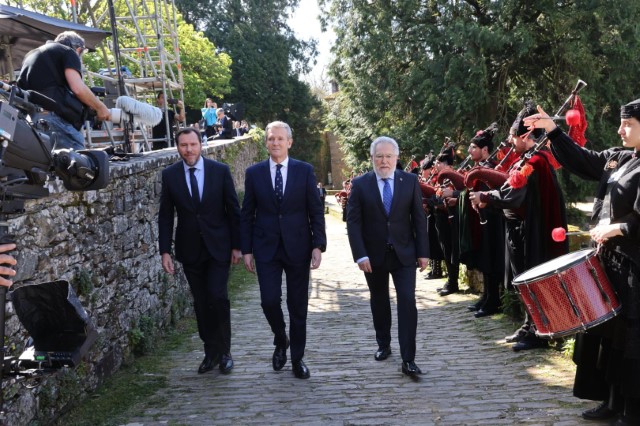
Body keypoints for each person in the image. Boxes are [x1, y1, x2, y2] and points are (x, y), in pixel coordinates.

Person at [524, 100, 640, 425]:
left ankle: (633, 410)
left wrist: (615, 228)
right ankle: (612, 402)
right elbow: (583, 160)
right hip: (611, 263)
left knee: (631, 340)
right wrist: (553, 131)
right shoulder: (618, 157)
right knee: (610, 338)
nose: (620, 130)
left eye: (628, 124)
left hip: (635, 267)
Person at [469, 101, 568, 351]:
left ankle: (539, 332)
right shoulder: (527, 159)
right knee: (524, 280)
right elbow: (509, 188)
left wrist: (486, 198)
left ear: (524, 135)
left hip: (532, 232)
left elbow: (514, 196)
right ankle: (529, 324)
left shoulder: (535, 162)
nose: (510, 141)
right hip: (519, 231)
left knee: (533, 279)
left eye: (513, 136)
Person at [240, 121, 326, 379]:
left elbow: (315, 210)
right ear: (266, 142)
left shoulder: (304, 171)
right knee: (269, 300)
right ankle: (281, 338)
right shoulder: (254, 173)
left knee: (298, 305)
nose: (275, 143)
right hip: (265, 247)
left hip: (298, 246)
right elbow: (247, 214)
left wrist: (318, 245)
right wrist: (246, 249)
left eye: (280, 139)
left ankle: (298, 358)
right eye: (271, 139)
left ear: (289, 142)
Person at [158, 127, 241, 375]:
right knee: (201, 303)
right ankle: (210, 352)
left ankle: (225, 352)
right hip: (189, 249)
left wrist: (238, 246)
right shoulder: (170, 175)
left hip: (219, 248)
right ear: (178, 147)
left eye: (193, 144)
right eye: (184, 145)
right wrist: (165, 251)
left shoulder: (220, 171)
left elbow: (233, 211)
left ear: (200, 145)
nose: (189, 150)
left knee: (218, 297)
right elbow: (165, 216)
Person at [346, 136, 429, 376]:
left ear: (396, 158)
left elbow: (419, 219)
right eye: (379, 156)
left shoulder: (410, 181)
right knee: (379, 300)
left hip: (405, 254)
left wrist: (423, 252)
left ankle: (408, 359)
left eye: (388, 156)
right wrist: (360, 255)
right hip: (374, 255)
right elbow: (353, 223)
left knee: (407, 302)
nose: (384, 161)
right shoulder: (361, 184)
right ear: (372, 159)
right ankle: (383, 344)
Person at [17, 31, 111, 150]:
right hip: (54, 119)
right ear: (78, 49)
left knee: (46, 165)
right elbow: (78, 88)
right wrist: (100, 107)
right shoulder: (68, 52)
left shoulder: (31, 55)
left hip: (31, 119)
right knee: (79, 163)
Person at [463, 123, 505, 318]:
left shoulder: (492, 168)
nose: (469, 151)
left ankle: (494, 299)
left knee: (492, 258)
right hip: (483, 218)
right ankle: (487, 295)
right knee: (485, 258)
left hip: (494, 218)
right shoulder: (478, 167)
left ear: (485, 149)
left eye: (474, 147)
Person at [432, 146, 461, 296]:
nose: (437, 166)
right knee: (445, 250)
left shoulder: (454, 176)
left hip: (451, 218)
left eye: (440, 163)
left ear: (448, 165)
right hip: (441, 218)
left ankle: (453, 282)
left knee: (451, 251)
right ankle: (450, 279)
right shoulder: (441, 178)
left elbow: (461, 192)